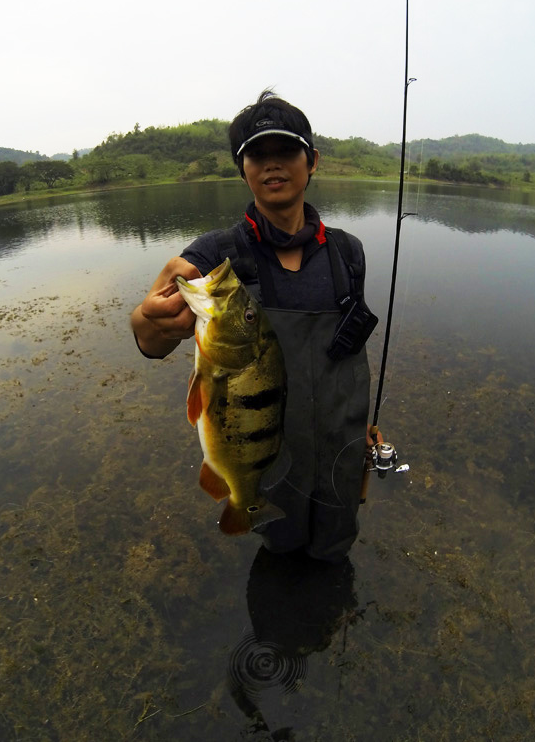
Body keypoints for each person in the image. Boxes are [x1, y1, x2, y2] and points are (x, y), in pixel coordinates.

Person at [130, 90, 376, 562]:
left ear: (312, 161)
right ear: (242, 169)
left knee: (336, 549)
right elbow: (148, 335)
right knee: (277, 552)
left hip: (339, 447)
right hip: (271, 463)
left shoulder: (348, 252)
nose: (272, 165)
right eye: (257, 155)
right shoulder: (215, 254)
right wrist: (150, 319)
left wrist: (361, 428)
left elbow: (347, 353)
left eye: (286, 151)